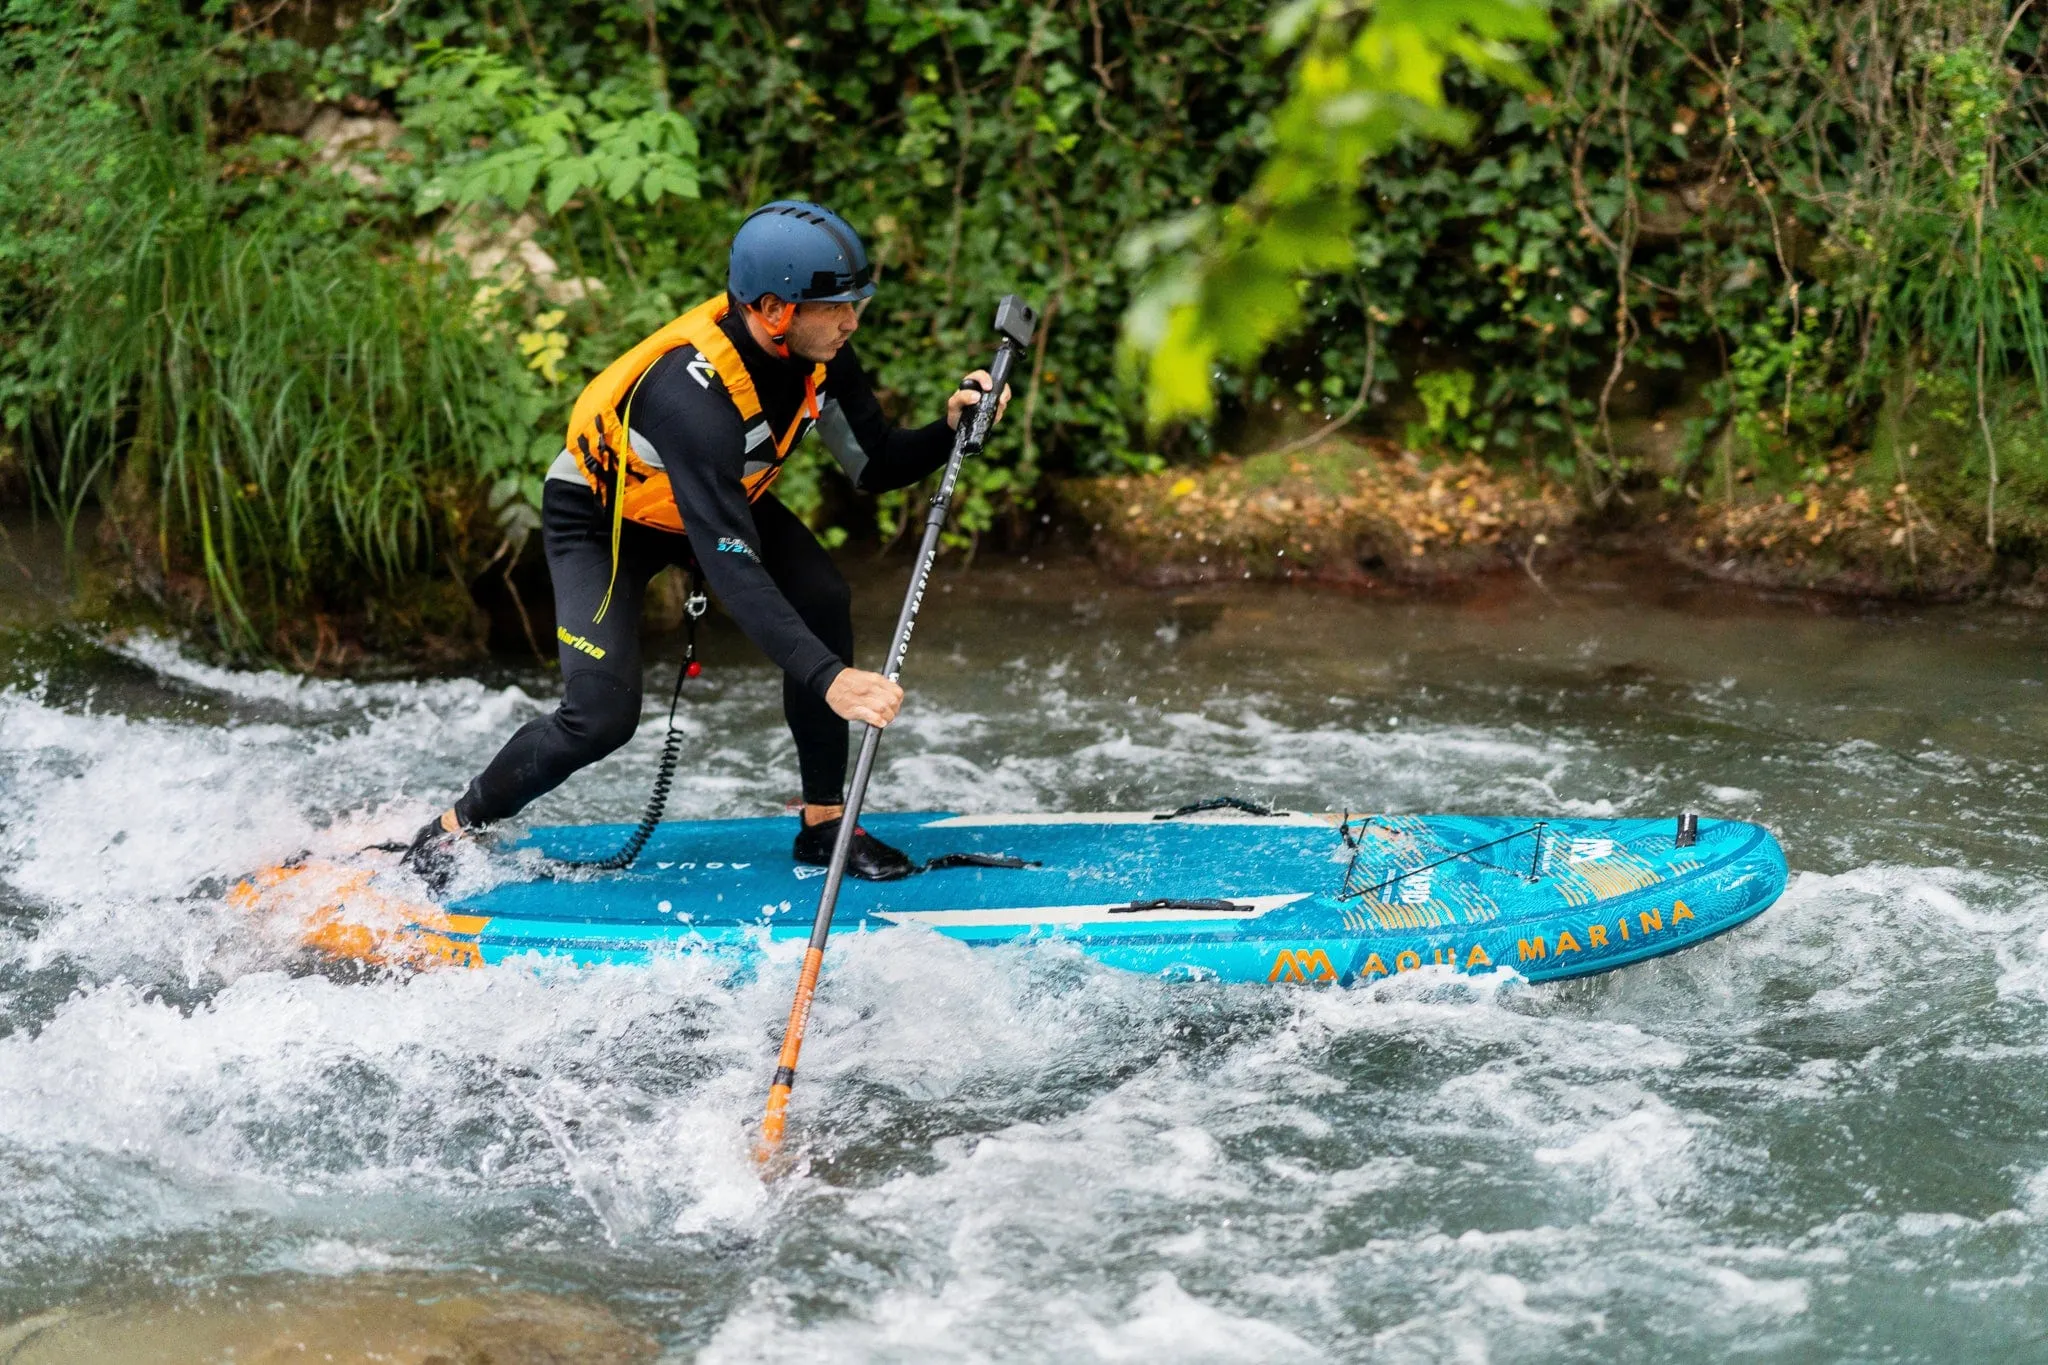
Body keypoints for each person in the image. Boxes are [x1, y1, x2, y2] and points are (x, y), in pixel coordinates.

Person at [407, 200, 1009, 886]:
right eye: (839, 306)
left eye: (856, 304)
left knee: (821, 596)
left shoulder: (820, 352)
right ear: (775, 309)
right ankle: (448, 833)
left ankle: (822, 825)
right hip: (604, 518)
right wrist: (830, 679)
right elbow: (733, 566)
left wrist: (951, 427)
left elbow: (874, 466)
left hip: (713, 503)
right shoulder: (690, 395)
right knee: (600, 717)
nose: (852, 321)